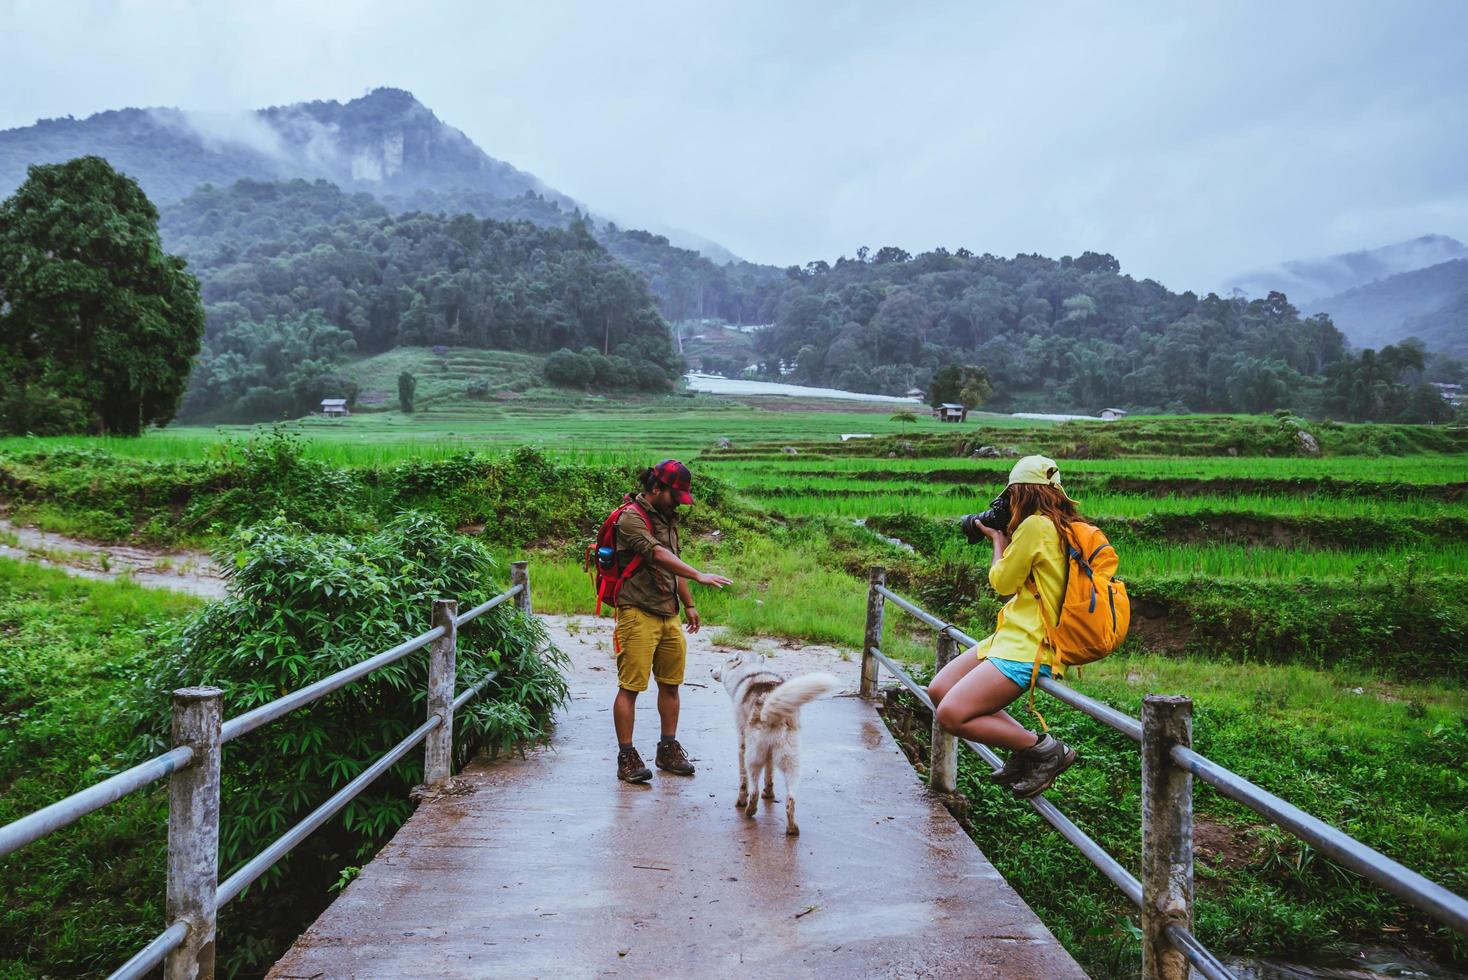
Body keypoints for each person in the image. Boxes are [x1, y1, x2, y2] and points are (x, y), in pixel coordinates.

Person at [927, 455, 1080, 798]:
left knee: (951, 714)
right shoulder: (1059, 524)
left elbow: (1003, 582)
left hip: (1032, 644)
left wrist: (998, 540)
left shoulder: (1035, 526)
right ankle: (1028, 751)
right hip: (1012, 634)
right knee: (939, 689)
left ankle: (1046, 750)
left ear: (1021, 492)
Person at [612, 460, 732, 783]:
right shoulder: (631, 519)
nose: (679, 501)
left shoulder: (667, 520)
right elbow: (659, 556)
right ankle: (626, 756)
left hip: (669, 614)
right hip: (636, 611)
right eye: (674, 494)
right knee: (631, 687)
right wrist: (698, 574)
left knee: (671, 684)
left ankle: (667, 748)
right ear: (655, 489)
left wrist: (689, 604)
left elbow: (673, 564)